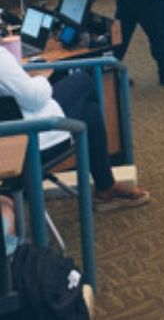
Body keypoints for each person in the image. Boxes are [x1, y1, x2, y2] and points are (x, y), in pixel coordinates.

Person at [0, 45, 152, 210]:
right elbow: (33, 97)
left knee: (90, 113)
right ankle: (106, 187)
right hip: (24, 144)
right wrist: (40, 78)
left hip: (13, 135)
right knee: (83, 82)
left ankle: (106, 187)